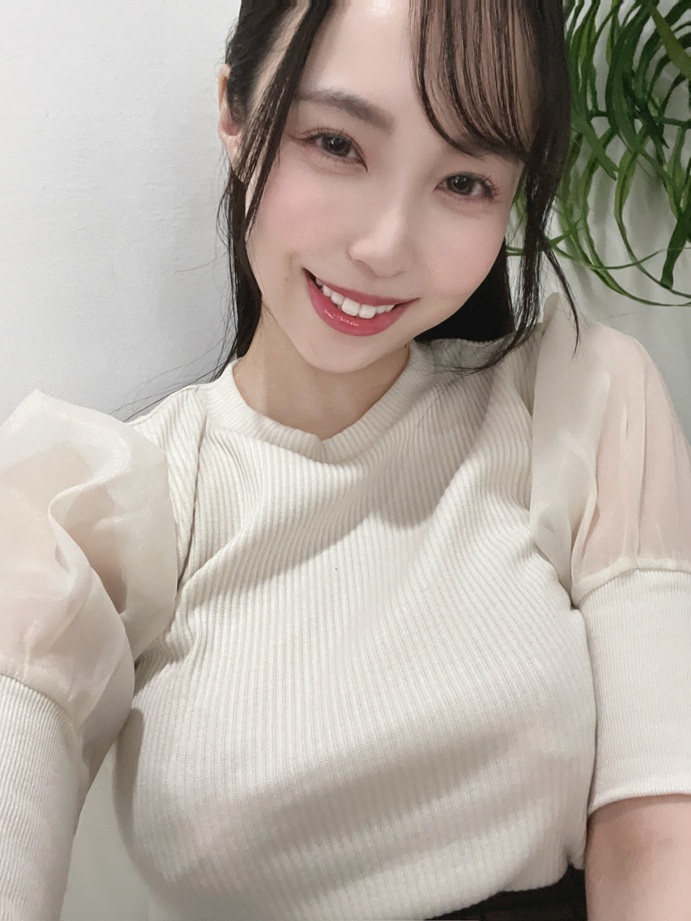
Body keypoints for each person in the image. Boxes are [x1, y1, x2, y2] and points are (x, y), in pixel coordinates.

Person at [1, 1, 690, 919]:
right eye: (335, 144)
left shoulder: (574, 398)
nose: (382, 247)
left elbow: (659, 827)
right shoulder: (104, 505)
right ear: (235, 115)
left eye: (465, 182)